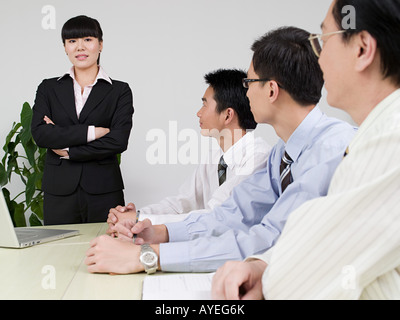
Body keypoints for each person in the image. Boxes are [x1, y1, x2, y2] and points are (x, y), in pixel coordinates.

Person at [84, 26, 356, 275]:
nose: (245, 94)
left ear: (271, 90)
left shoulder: (330, 150)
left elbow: (270, 239)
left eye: (249, 83)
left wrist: (148, 255)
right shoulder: (282, 153)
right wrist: (159, 233)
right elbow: (233, 214)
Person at [212, 0, 400, 300]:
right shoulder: (370, 137)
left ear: (362, 49)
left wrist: (271, 271)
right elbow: (326, 246)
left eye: (322, 41)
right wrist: (264, 266)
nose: (318, 59)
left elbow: (296, 280)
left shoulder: (390, 140)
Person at [106, 69, 271, 230]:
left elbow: (216, 215)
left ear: (227, 115)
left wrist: (139, 220)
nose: (199, 113)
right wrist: (138, 215)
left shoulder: (257, 158)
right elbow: (182, 203)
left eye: (205, 104)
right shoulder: (215, 157)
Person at [31, 15, 134, 225]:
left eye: (87, 39)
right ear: (65, 47)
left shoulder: (120, 91)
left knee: (108, 251)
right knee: (59, 251)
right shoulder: (48, 88)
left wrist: (69, 151)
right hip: (59, 192)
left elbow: (118, 141)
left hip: (104, 190)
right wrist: (93, 132)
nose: (80, 47)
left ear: (100, 45)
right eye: (72, 41)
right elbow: (41, 133)